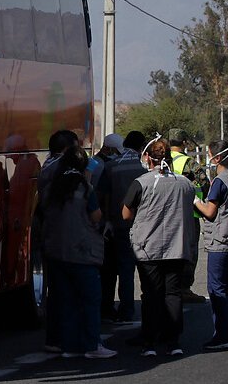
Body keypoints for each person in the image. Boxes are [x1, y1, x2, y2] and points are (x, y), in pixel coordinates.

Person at [122, 137, 197, 357]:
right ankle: (173, 341)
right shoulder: (184, 183)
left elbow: (126, 213)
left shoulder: (141, 182)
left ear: (147, 157)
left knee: (151, 294)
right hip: (177, 246)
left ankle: (149, 341)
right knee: (173, 294)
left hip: (148, 249)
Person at [41, 145, 116, 359]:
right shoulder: (84, 188)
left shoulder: (51, 188)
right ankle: (92, 344)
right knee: (90, 300)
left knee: (66, 301)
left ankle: (69, 346)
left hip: (56, 250)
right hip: (82, 251)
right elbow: (95, 216)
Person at [194, 140, 228, 351]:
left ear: (216, 158)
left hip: (220, 242)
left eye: (209, 155)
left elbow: (210, 212)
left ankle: (223, 335)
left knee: (216, 289)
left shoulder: (219, 181)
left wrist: (195, 200)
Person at [36, 129, 79, 353]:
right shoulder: (62, 169)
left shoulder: (47, 166)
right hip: (64, 234)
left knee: (56, 289)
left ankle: (56, 338)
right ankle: (67, 337)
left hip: (51, 234)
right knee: (68, 289)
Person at [97, 130, 147, 323]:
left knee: (121, 269)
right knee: (145, 270)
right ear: (142, 146)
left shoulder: (111, 165)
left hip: (118, 224)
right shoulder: (145, 167)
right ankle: (145, 308)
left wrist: (107, 219)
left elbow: (102, 196)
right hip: (144, 225)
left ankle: (121, 310)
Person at [168, 128, 208, 304]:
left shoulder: (163, 160)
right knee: (189, 250)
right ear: (184, 142)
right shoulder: (189, 162)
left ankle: (170, 287)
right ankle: (184, 288)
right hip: (189, 213)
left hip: (167, 214)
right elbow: (205, 183)